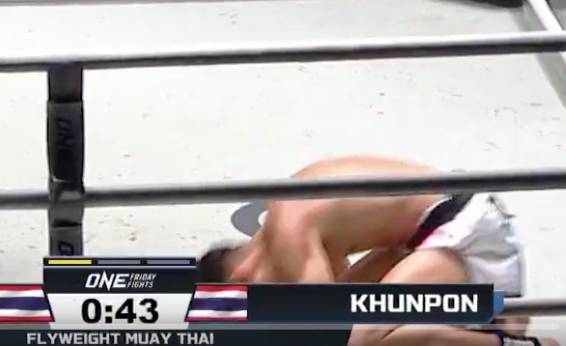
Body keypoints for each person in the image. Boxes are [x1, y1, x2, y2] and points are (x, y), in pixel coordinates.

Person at [197, 155, 554, 346]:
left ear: (240, 278)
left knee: (356, 339)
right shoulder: (290, 225)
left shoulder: (290, 236)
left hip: (464, 232)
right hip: (454, 227)